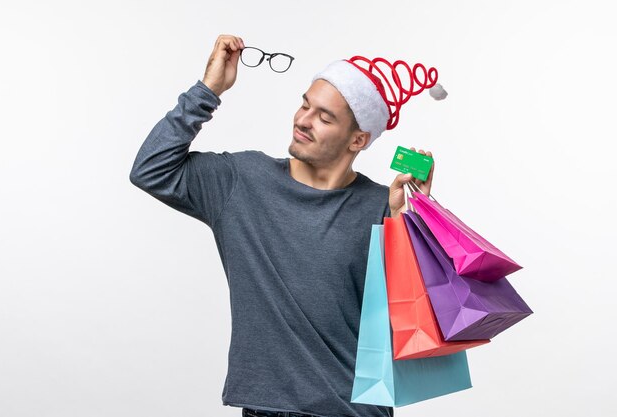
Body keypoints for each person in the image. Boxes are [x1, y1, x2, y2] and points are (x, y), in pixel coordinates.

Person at [129, 34, 436, 417]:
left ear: (357, 139)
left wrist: (411, 222)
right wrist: (208, 90)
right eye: (305, 105)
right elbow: (150, 170)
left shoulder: (382, 204)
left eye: (324, 117)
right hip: (265, 409)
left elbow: (413, 323)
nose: (303, 121)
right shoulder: (241, 181)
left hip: (355, 411)